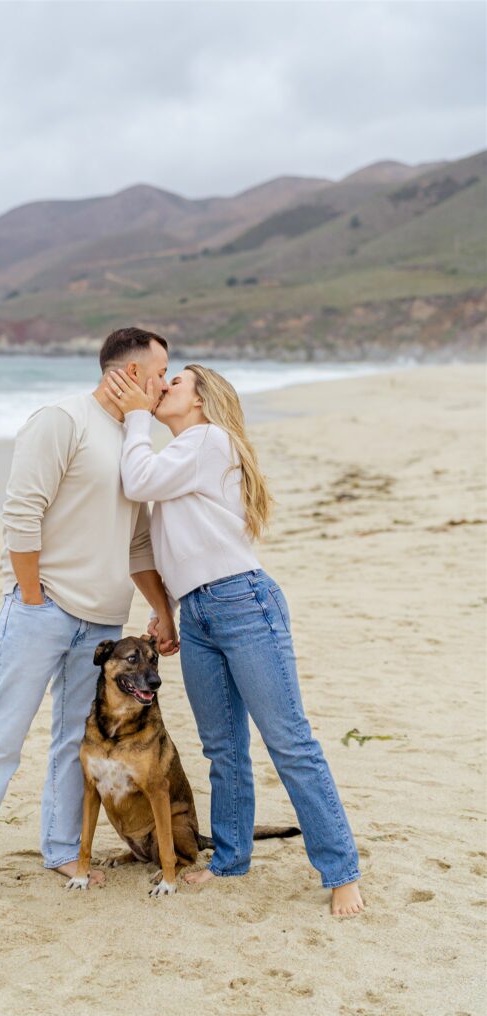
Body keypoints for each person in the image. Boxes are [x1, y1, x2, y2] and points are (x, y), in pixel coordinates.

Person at [104, 363, 365, 917]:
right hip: (198, 611)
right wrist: (168, 611)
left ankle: (342, 871)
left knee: (290, 743)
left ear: (200, 401)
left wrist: (132, 420)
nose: (162, 386)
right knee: (222, 748)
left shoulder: (207, 438)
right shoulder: (184, 456)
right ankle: (231, 859)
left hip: (244, 603)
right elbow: (165, 547)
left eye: (175, 382)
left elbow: (137, 479)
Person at [0, 327, 179, 908]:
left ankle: (62, 848)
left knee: (76, 742)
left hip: (101, 627)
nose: (165, 383)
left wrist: (159, 608)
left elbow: (138, 542)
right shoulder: (61, 420)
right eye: (159, 372)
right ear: (125, 373)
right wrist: (32, 598)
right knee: (1, 736)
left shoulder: (135, 439)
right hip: (40, 608)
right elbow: (22, 511)